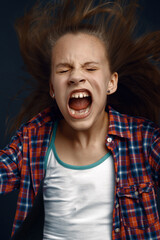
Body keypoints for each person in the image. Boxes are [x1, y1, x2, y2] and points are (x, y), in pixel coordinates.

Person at [1, 0, 160, 239]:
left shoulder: (145, 140)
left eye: (90, 68)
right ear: (53, 89)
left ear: (111, 83)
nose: (76, 76)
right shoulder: (31, 140)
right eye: (64, 70)